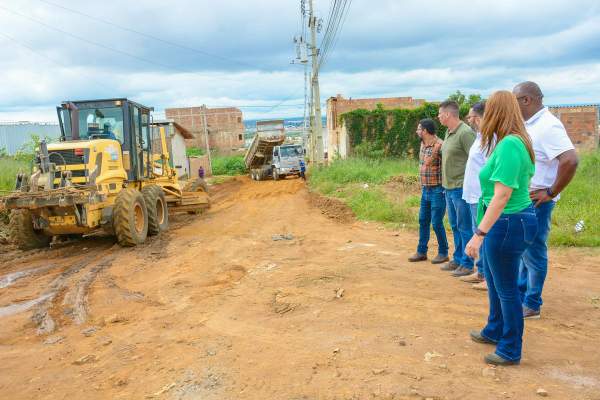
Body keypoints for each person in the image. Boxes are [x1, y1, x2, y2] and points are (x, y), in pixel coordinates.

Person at [465, 90, 537, 366]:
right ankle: (494, 329)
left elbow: (502, 195)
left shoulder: (509, 145)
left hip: (507, 222)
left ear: (496, 113)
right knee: (496, 283)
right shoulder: (513, 142)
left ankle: (510, 349)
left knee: (506, 288)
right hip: (510, 220)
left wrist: (478, 234)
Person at [512, 82, 579, 319]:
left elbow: (570, 160)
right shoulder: (532, 125)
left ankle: (532, 302)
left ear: (527, 100)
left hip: (538, 202)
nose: (513, 105)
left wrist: (550, 192)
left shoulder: (548, 126)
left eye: (515, 100)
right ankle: (522, 296)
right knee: (523, 250)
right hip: (525, 200)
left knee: (534, 251)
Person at [438, 100, 476, 277]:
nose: (438, 117)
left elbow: (475, 159)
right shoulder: (449, 132)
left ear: (447, 115)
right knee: (454, 225)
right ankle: (458, 258)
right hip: (448, 187)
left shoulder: (465, 133)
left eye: (440, 114)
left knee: (464, 226)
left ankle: (467, 264)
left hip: (461, 187)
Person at [408, 118, 449, 264]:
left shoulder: (440, 145)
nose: (417, 131)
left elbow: (446, 168)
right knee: (423, 220)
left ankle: (443, 252)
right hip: (425, 189)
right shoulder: (422, 144)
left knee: (437, 222)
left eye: (419, 129)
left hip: (438, 190)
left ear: (425, 131)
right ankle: (421, 251)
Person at [461, 101, 488, 290]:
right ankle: (480, 272)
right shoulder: (480, 137)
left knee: (483, 237)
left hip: (481, 196)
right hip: (472, 196)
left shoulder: (491, 139)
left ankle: (487, 277)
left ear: (478, 118)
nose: (469, 120)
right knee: (476, 233)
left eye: (470, 116)